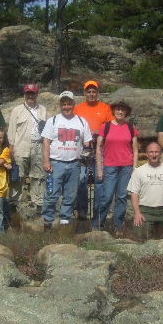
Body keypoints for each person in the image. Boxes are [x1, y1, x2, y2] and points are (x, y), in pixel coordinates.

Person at [41, 91, 92, 229]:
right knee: (52, 194)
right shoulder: (53, 121)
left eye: (69, 103)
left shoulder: (81, 121)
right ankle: (48, 222)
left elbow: (87, 142)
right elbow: (46, 142)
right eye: (64, 104)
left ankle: (65, 221)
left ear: (73, 104)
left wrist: (87, 153)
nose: (66, 106)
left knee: (70, 195)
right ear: (60, 105)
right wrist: (46, 161)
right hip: (55, 164)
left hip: (75, 164)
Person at [94, 101, 139, 234]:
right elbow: (98, 148)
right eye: (118, 109)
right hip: (110, 166)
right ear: (114, 111)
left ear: (126, 112)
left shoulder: (131, 127)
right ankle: (98, 225)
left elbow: (135, 150)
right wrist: (100, 169)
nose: (120, 112)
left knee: (122, 197)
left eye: (123, 110)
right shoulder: (106, 126)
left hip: (126, 167)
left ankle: (118, 227)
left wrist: (134, 168)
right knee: (107, 197)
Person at [74, 80, 113, 220]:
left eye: (94, 91)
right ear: (84, 93)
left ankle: (98, 213)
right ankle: (82, 211)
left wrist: (99, 133)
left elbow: (112, 127)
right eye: (88, 91)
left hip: (100, 149)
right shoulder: (78, 109)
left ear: (97, 93)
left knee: (99, 180)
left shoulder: (105, 108)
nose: (91, 94)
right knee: (81, 179)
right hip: (83, 149)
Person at [127, 142, 163, 240]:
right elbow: (134, 194)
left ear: (161, 154)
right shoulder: (138, 171)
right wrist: (137, 213)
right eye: (151, 152)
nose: (154, 154)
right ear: (147, 154)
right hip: (145, 210)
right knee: (140, 237)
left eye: (156, 152)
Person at [7, 83, 47, 210]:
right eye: (28, 93)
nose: (30, 96)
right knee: (18, 176)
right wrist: (11, 151)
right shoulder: (16, 110)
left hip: (38, 146)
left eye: (33, 93)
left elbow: (46, 131)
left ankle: (38, 203)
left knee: (38, 176)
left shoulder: (43, 109)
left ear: (37, 94)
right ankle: (14, 203)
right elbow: (11, 132)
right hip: (20, 147)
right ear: (24, 94)